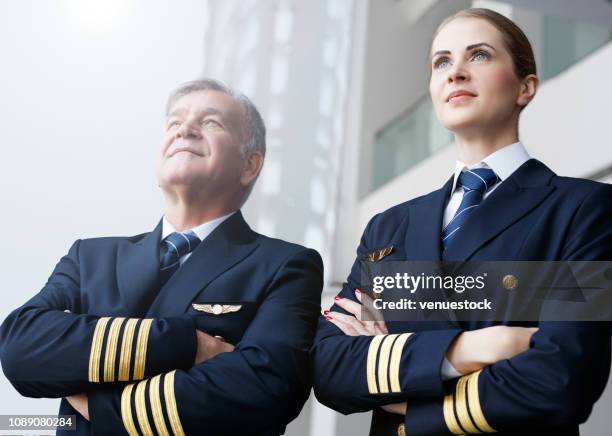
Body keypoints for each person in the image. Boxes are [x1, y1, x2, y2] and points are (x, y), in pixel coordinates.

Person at [311, 8, 612, 436]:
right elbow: (329, 368)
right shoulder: (388, 227)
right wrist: (475, 346)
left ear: (525, 88)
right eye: (442, 62)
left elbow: (561, 379)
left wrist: (407, 399)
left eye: (480, 56)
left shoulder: (584, 209)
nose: (456, 73)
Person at [0, 79, 324, 436]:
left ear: (250, 164)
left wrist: (98, 402)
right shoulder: (90, 256)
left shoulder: (285, 265)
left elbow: (265, 389)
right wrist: (188, 343)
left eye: (211, 122)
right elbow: (20, 346)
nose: (185, 129)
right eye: (174, 122)